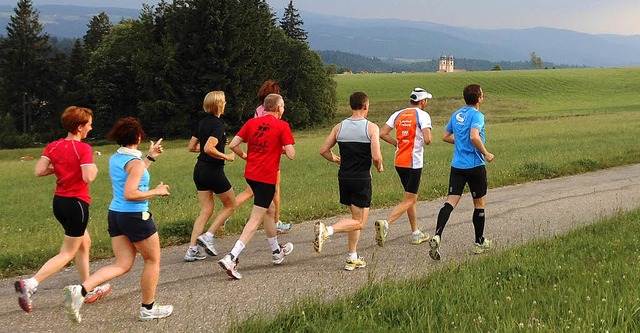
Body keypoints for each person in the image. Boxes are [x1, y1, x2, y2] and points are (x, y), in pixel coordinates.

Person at [63, 117, 173, 322]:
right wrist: (156, 191)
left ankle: (81, 290)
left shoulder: (117, 158)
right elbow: (131, 192)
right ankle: (148, 308)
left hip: (116, 215)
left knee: (123, 264)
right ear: (138, 137)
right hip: (136, 216)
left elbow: (134, 174)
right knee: (152, 260)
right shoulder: (135, 163)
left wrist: (150, 157)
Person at [14, 106, 111, 313]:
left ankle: (88, 289)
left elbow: (39, 171)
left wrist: (59, 170)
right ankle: (30, 284)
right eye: (89, 125)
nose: (91, 128)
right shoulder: (83, 148)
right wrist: (93, 167)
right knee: (67, 252)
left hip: (59, 202)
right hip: (77, 204)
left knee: (84, 243)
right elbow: (88, 177)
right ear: (79, 127)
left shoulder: (53, 146)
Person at [218, 93, 295, 280]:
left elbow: (234, 144)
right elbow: (292, 154)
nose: (283, 108)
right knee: (255, 219)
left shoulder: (252, 123)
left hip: (251, 175)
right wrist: (282, 148)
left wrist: (246, 156)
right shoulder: (282, 126)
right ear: (277, 108)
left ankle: (276, 251)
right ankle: (232, 256)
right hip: (267, 178)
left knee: (270, 209)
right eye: (283, 105)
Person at [315, 92, 384, 271]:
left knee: (355, 219)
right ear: (366, 106)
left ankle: (352, 257)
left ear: (351, 106)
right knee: (360, 222)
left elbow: (323, 150)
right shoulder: (371, 128)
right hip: (361, 178)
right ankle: (327, 231)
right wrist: (379, 167)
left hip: (344, 177)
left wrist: (337, 159)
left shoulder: (339, 127)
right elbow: (376, 156)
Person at [429, 84, 495, 261]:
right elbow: (474, 136)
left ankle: (437, 235)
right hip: (475, 165)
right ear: (479, 98)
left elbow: (445, 136)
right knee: (479, 203)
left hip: (457, 166)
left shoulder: (457, 114)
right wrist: (486, 153)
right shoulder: (477, 116)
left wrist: (460, 143)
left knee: (450, 201)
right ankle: (479, 242)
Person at [375, 88, 433, 247]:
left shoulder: (398, 113)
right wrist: (423, 138)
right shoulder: (423, 115)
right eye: (426, 100)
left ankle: (415, 233)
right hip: (414, 162)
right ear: (422, 102)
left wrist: (397, 143)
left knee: (410, 198)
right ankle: (386, 224)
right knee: (410, 198)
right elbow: (428, 139)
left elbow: (382, 133)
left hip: (399, 161)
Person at [184, 91, 237, 262]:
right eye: (224, 101)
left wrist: (218, 144)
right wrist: (226, 156)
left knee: (206, 210)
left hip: (199, 170)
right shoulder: (218, 124)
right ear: (219, 105)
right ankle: (209, 235)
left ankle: (192, 250)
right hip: (213, 171)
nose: (226, 103)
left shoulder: (202, 123)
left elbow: (192, 147)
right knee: (231, 204)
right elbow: (208, 148)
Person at [234, 80, 292, 235]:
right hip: (269, 159)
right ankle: (276, 222)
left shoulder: (258, 110)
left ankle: (228, 211)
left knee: (250, 191)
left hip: (255, 157)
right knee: (275, 190)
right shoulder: (273, 115)